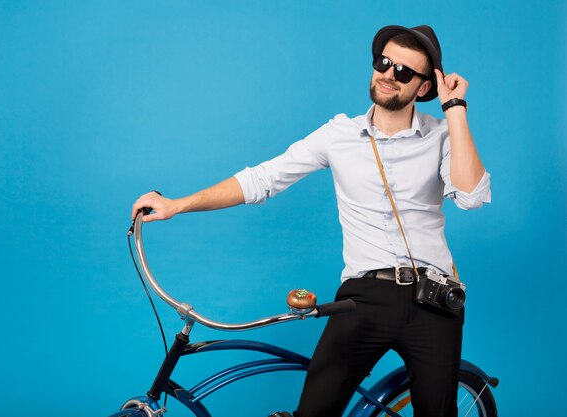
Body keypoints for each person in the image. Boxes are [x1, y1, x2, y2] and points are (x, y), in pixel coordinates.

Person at [131, 25, 491, 417]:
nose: (389, 74)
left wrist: (454, 109)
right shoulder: (338, 134)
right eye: (383, 63)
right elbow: (262, 179)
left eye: (404, 71)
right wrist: (178, 204)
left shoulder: (443, 135)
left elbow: (471, 197)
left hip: (433, 300)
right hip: (366, 296)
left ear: (423, 88)